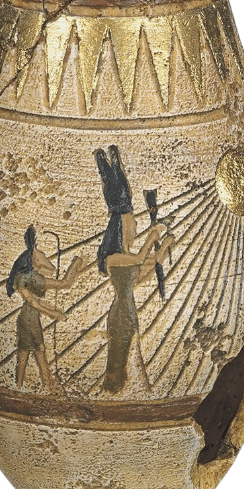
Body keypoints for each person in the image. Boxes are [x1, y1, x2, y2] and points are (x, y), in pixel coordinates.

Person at [95, 146, 175, 393]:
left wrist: (164, 247)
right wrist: (152, 236)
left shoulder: (126, 262)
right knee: (119, 355)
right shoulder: (113, 259)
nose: (136, 223)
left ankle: (124, 385)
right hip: (120, 315)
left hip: (128, 312)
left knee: (129, 353)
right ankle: (114, 385)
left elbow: (147, 268)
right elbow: (140, 259)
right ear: (121, 227)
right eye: (133, 221)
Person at [7, 226, 82, 390]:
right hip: (29, 318)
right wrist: (53, 313)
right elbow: (36, 302)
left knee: (29, 351)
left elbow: (60, 280)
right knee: (33, 350)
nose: (42, 254)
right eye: (39, 253)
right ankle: (36, 383)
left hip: (28, 318)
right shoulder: (27, 278)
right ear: (33, 257)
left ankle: (27, 384)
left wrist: (76, 266)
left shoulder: (29, 276)